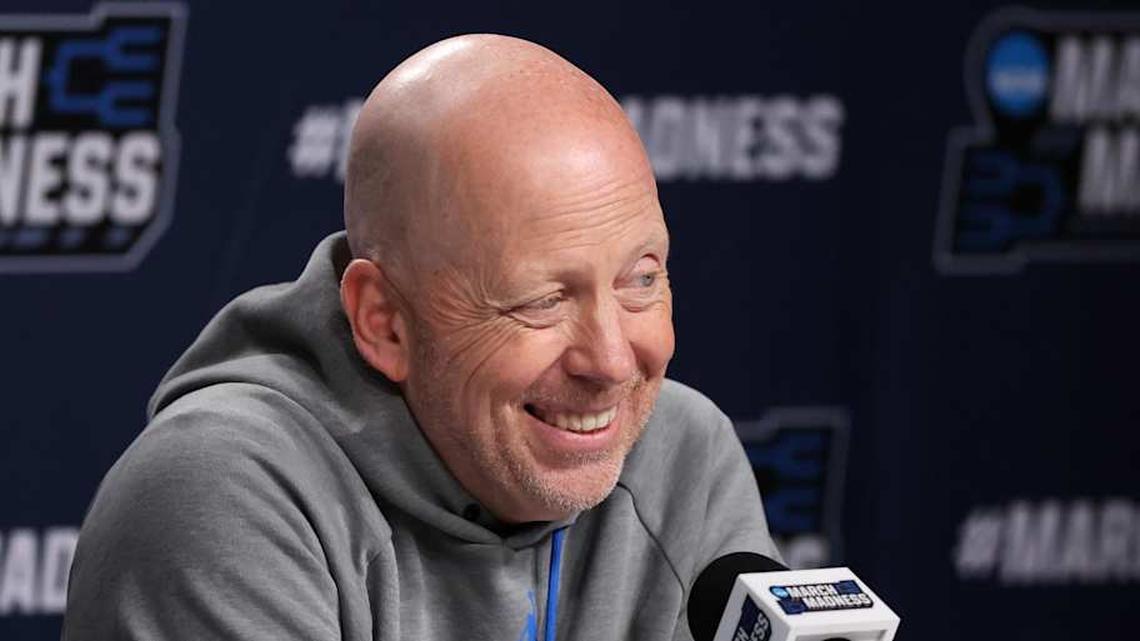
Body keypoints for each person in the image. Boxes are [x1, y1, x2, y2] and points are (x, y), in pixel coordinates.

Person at [62, 34, 780, 641]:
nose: (613, 360)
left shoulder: (682, 459)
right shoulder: (221, 496)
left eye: (641, 278)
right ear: (384, 320)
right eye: (542, 300)